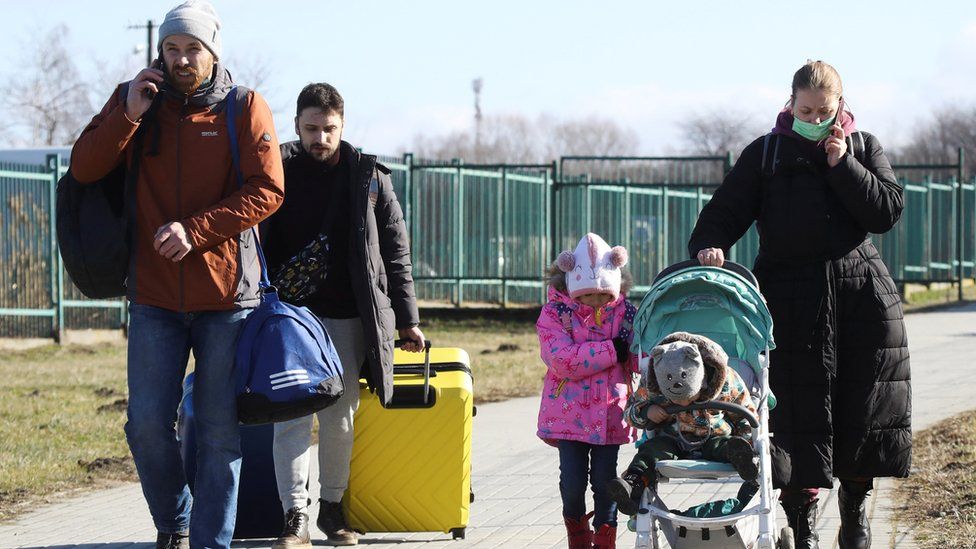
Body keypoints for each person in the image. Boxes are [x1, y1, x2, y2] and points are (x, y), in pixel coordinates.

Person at [69, 2, 284, 548]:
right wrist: (128, 112)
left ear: (212, 52)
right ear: (159, 53)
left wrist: (196, 229)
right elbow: (85, 167)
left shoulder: (244, 107)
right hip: (154, 296)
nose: (182, 58)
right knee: (145, 426)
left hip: (225, 299)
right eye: (172, 48)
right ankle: (176, 520)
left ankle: (211, 542)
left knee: (216, 431)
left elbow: (268, 190)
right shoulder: (135, 102)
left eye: (193, 49)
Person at [687, 60, 911, 549]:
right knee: (793, 415)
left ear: (840, 108)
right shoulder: (765, 153)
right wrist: (710, 244)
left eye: (824, 111)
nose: (814, 118)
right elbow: (724, 210)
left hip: (859, 294)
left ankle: (855, 515)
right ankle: (802, 522)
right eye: (805, 109)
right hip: (787, 297)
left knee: (862, 409)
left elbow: (887, 210)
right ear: (790, 105)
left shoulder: (863, 147)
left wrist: (843, 165)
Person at [262, 83, 425, 548]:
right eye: (311, 128)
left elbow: (396, 253)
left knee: (340, 418)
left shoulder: (369, 176)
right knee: (290, 418)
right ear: (296, 125)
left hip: (351, 318)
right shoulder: (275, 168)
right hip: (289, 321)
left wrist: (408, 318)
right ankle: (295, 515)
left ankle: (332, 509)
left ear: (342, 126)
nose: (320, 138)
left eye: (329, 129)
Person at [536, 233, 638, 549]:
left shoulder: (627, 315)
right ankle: (577, 533)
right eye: (588, 296)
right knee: (573, 481)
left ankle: (606, 536)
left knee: (607, 482)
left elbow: (637, 356)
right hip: (569, 415)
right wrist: (612, 351)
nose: (596, 302)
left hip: (610, 412)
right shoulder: (555, 315)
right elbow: (562, 360)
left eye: (604, 296)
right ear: (571, 288)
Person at [607, 332, 759, 517]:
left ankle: (740, 457)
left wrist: (746, 439)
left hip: (714, 435)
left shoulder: (725, 380)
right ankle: (633, 482)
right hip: (672, 438)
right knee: (651, 449)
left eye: (690, 397)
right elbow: (630, 412)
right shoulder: (654, 381)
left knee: (724, 445)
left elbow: (746, 413)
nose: (682, 403)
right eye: (675, 399)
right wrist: (647, 411)